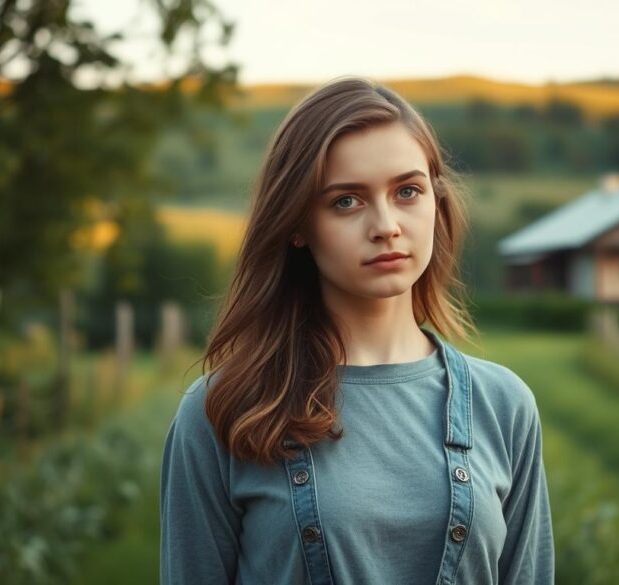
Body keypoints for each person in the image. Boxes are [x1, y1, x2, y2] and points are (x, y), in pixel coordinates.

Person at [160, 76, 554, 584]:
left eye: (407, 191)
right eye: (346, 201)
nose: (386, 224)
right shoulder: (224, 410)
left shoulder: (504, 406)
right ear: (297, 225)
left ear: (436, 203)